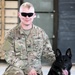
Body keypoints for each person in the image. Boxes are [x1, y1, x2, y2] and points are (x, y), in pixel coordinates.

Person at [2, 2, 55, 75]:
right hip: (16, 71)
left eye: (30, 14)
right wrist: (27, 68)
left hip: (35, 72)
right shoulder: (10, 34)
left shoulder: (41, 33)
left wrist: (61, 64)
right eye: (24, 14)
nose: (27, 17)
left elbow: (48, 54)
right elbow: (7, 55)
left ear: (34, 15)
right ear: (19, 15)